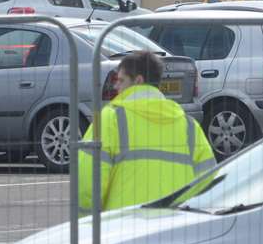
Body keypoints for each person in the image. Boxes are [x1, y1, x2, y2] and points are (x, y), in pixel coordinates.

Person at [76, 50, 215, 211]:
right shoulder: (189, 126)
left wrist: (87, 224)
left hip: (123, 227)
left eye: (121, 80)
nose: (116, 86)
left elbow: (88, 182)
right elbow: (208, 181)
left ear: (138, 81)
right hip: (176, 227)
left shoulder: (110, 119)